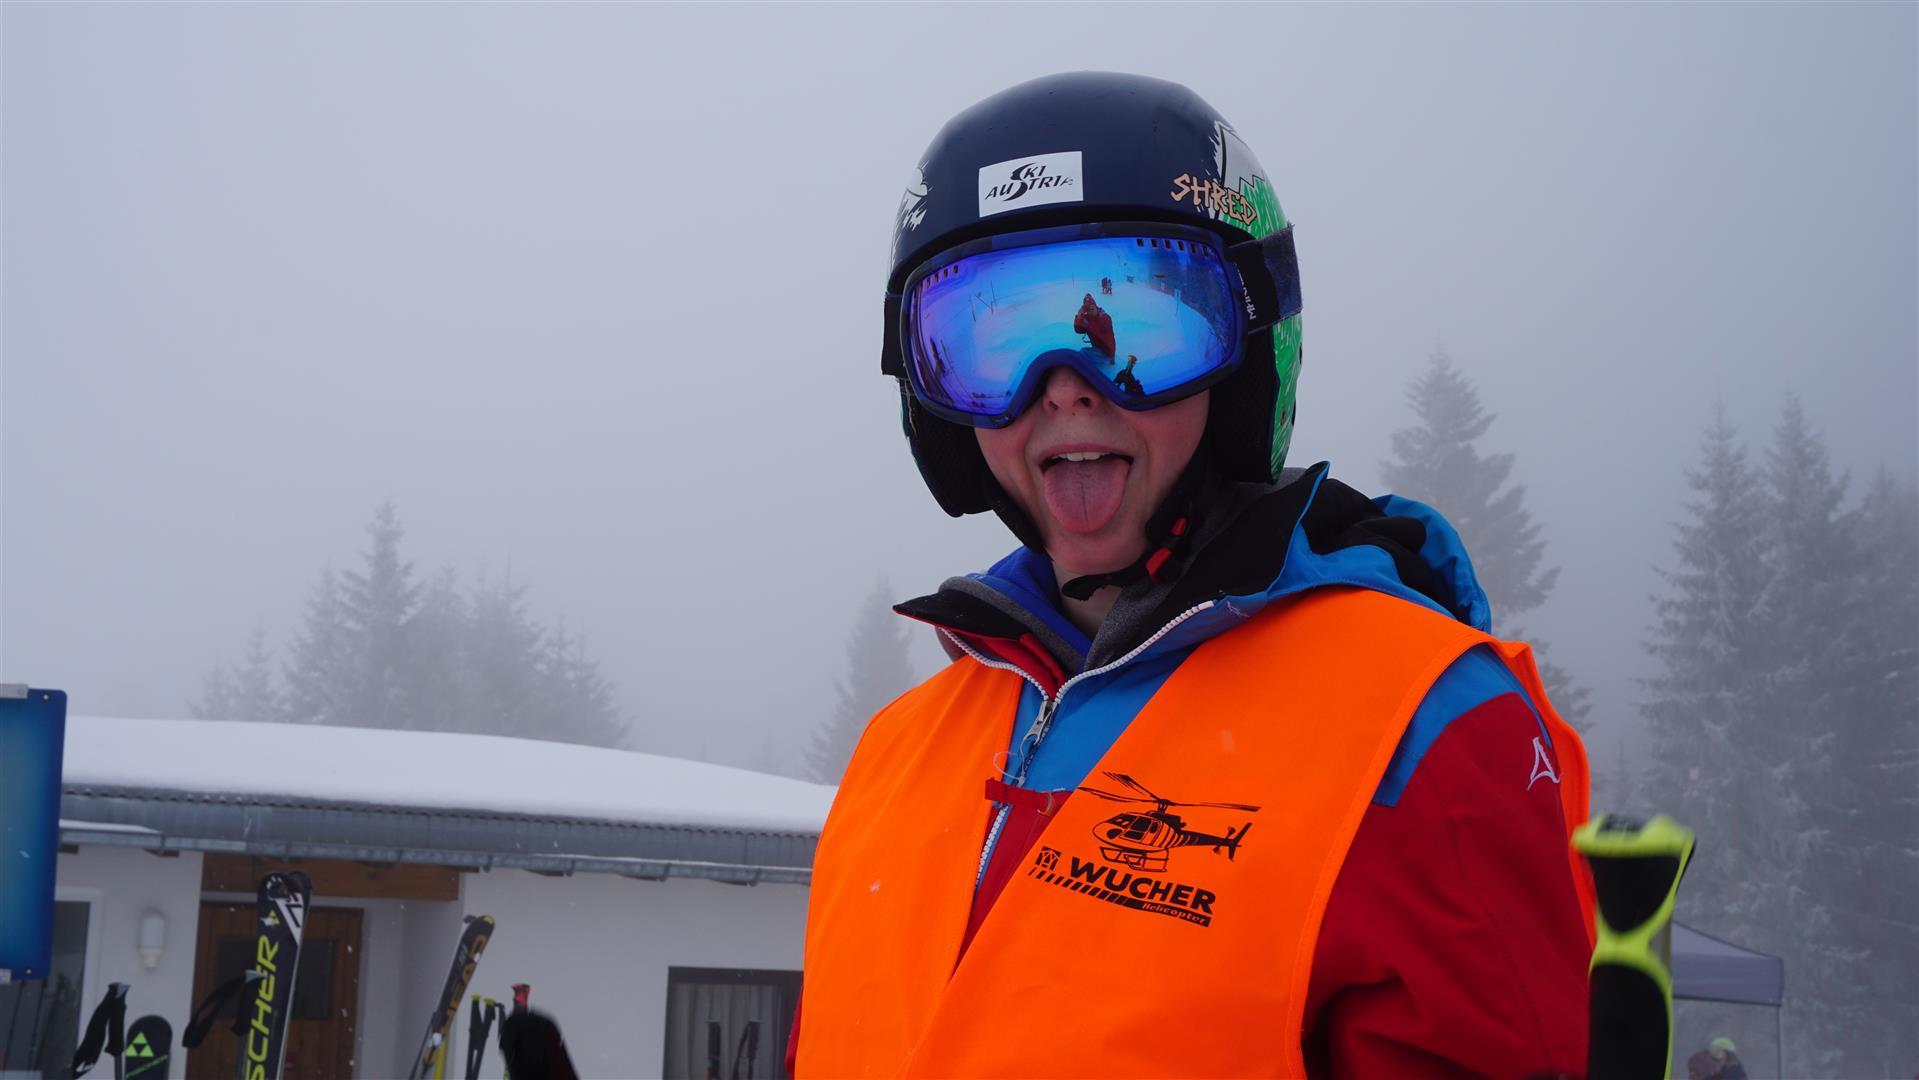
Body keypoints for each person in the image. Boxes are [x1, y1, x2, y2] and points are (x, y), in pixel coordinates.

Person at [797, 71, 1595, 1077]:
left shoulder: (1418, 727)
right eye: (991, 339)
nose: (1064, 390)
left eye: (1135, 328)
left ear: (1246, 355)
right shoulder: (897, 755)